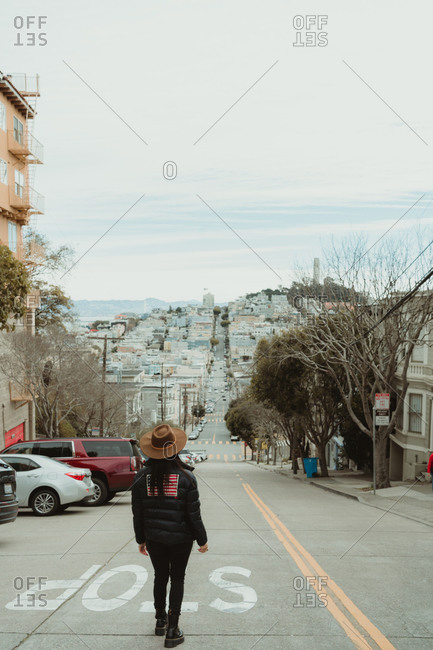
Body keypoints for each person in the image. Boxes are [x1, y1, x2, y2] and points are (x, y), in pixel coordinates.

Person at [132, 423, 208, 647]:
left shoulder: (141, 477)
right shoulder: (186, 477)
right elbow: (193, 514)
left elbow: (138, 513)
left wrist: (141, 539)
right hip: (181, 539)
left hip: (155, 538)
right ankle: (173, 630)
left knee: (160, 576)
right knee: (177, 578)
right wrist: (202, 540)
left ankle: (159, 621)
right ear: (174, 449)